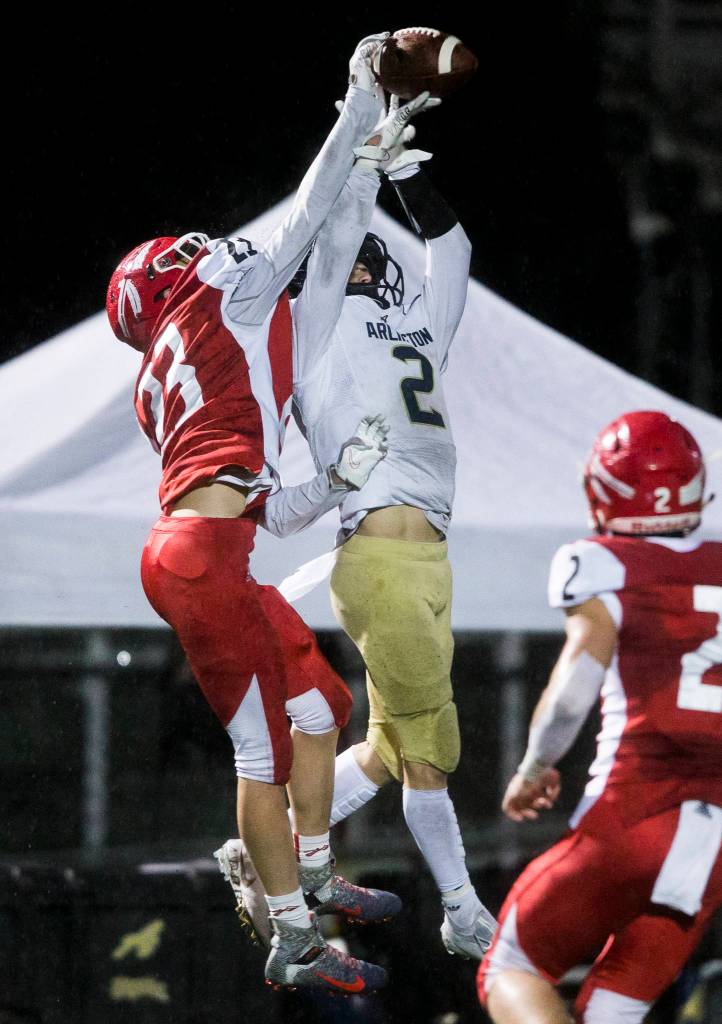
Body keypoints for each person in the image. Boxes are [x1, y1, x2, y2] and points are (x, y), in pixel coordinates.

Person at [104, 35, 430, 995]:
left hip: (213, 551)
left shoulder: (223, 357)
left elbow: (325, 263)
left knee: (321, 709)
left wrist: (365, 177)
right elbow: (297, 229)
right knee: (262, 745)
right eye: (184, 257)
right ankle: (290, 927)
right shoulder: (211, 304)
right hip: (200, 558)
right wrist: (355, 106)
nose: (201, 248)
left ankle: (317, 871)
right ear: (173, 285)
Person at [216, 99, 497, 959]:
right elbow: (333, 251)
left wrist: (412, 178)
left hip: (424, 558)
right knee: (431, 754)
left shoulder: (418, 327)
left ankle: (251, 851)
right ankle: (462, 913)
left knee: (385, 746)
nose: (370, 269)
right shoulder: (317, 338)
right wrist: (365, 168)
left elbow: (453, 250)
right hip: (380, 555)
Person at [478, 410, 722, 1024]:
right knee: (614, 1009)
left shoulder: (607, 562)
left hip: (636, 809)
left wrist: (535, 765)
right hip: (714, 838)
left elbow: (572, 690)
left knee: (510, 967)